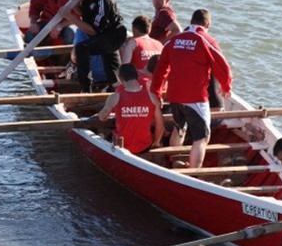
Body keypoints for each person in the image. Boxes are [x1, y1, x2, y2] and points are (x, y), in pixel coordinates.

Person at [150, 10, 232, 168]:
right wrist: (226, 85)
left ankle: (176, 161)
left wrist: (156, 91)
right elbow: (222, 64)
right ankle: (195, 172)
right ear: (207, 24)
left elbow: (161, 68)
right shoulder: (206, 40)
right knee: (201, 138)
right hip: (195, 98)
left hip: (174, 96)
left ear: (191, 21)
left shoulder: (174, 40)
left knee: (179, 127)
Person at [61, 0, 127, 92]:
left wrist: (69, 16)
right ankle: (114, 89)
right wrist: (73, 5)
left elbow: (93, 30)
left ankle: (86, 88)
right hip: (103, 33)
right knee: (111, 69)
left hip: (113, 36)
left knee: (82, 49)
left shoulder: (104, 1)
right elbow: (87, 16)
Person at [97, 63, 164, 154]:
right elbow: (160, 125)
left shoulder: (115, 97)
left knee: (101, 134)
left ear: (121, 79)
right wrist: (156, 142)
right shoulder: (152, 97)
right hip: (144, 147)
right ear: (137, 76)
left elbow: (102, 117)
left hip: (121, 147)